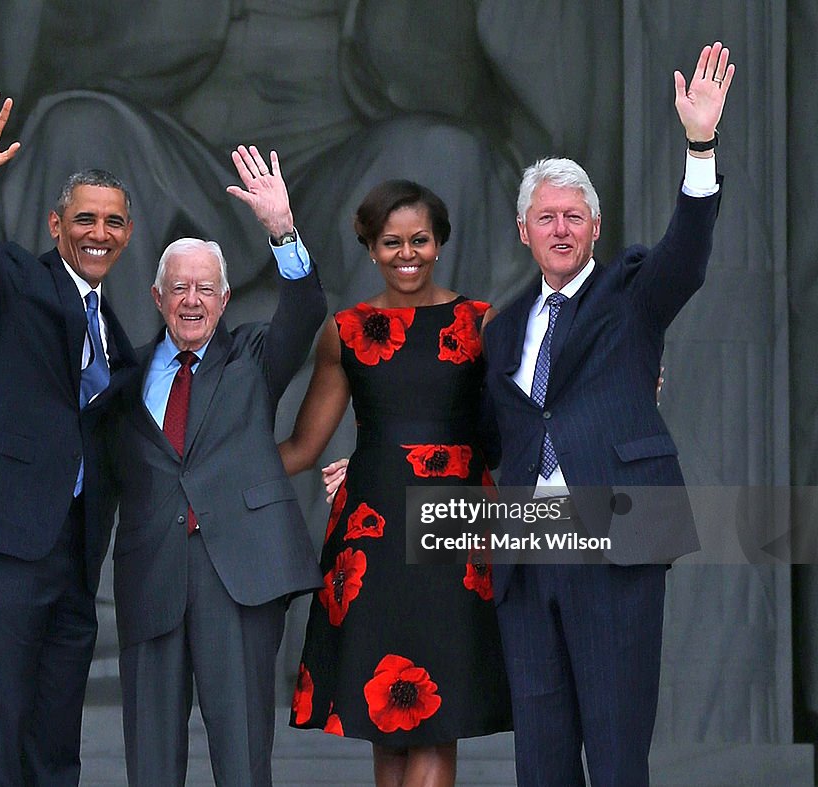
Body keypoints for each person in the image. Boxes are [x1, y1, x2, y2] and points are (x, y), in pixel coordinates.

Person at [481, 42, 735, 786]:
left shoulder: (632, 291)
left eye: (574, 216)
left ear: (595, 228)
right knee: (542, 759)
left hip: (615, 539)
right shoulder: (501, 330)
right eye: (545, 216)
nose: (560, 228)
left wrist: (699, 144)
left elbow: (687, 255)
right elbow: (489, 434)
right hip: (528, 554)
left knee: (619, 753)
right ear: (523, 230)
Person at [97, 145, 327, 786]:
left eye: (205, 288)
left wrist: (282, 230)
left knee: (243, 758)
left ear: (225, 299)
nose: (191, 300)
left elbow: (305, 311)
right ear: (157, 296)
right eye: (179, 288)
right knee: (150, 764)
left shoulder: (254, 357)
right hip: (152, 575)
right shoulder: (127, 373)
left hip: (240, 574)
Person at [0, 91, 137, 784]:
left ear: (128, 233)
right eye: (84, 218)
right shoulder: (16, 279)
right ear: (56, 225)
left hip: (73, 557)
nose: (98, 232)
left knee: (54, 751)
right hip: (1, 542)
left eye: (112, 221)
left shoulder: (120, 338)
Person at [279, 180, 511, 786]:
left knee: (438, 717)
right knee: (388, 724)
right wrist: (208, 469)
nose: (406, 253)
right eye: (390, 242)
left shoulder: (482, 322)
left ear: (440, 243)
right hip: (373, 532)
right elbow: (303, 447)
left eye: (419, 240)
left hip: (457, 534)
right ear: (370, 246)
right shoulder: (347, 330)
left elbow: (519, 424)